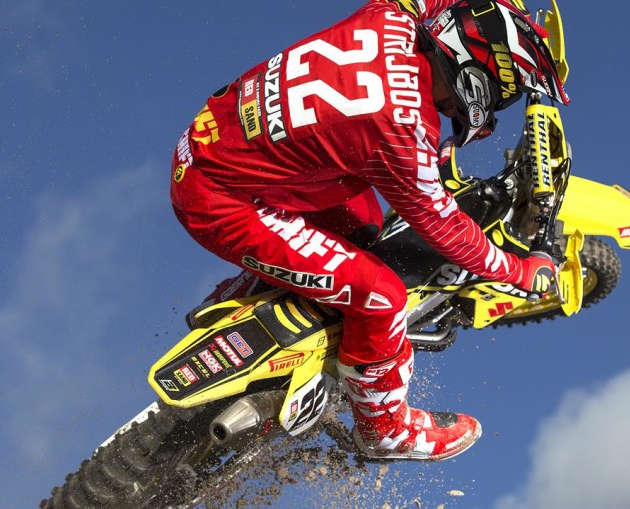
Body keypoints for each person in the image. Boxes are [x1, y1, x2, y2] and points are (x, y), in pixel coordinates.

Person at [169, 0, 569, 461]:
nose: (497, 108)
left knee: (363, 223)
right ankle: (384, 431)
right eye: (503, 95)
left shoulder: (390, 18)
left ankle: (247, 297)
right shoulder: (403, 128)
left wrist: (494, 12)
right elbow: (449, 232)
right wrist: (521, 271)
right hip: (219, 201)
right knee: (382, 297)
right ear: (481, 79)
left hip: (211, 140)